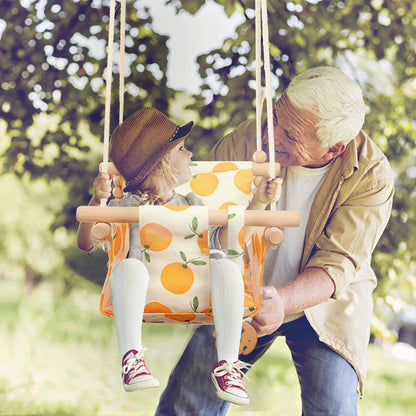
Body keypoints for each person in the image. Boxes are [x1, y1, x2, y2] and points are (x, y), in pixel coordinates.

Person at [155, 66, 395, 415]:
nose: (271, 135)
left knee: (333, 407)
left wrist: (282, 299)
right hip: (241, 289)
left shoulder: (372, 174)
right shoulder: (250, 137)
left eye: (291, 135)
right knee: (187, 403)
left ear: (333, 148)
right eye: (277, 116)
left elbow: (336, 266)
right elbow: (203, 215)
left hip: (325, 302)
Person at [77, 107, 281, 406]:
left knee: (225, 266)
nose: (190, 154)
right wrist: (98, 201)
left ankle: (227, 364)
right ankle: (132, 358)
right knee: (127, 267)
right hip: (147, 289)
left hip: (198, 286)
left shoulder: (192, 202)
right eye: (182, 149)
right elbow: (85, 242)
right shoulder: (130, 205)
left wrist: (259, 201)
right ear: (161, 163)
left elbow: (224, 243)